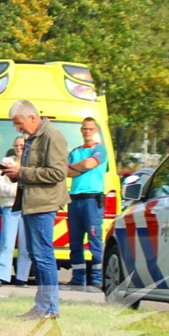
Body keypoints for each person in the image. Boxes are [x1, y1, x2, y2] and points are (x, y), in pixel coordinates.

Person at [0, 100, 69, 320]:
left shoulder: (52, 136)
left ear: (31, 116)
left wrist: (21, 172)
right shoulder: (35, 136)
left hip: (43, 203)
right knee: (38, 256)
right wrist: (17, 172)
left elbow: (58, 173)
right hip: (33, 202)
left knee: (42, 256)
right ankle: (43, 306)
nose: (18, 128)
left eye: (19, 123)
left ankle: (48, 307)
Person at [66, 117, 107, 289]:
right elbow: (66, 172)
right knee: (75, 241)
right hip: (75, 200)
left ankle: (96, 279)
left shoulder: (100, 149)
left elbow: (90, 164)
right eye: (84, 128)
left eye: (90, 128)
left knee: (94, 240)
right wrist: (79, 167)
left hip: (92, 199)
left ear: (95, 130)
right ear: (81, 130)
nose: (87, 131)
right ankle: (78, 278)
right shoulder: (76, 151)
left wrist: (78, 167)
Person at [0, 136, 32, 288]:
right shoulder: (5, 164)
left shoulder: (33, 165)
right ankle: (0, 276)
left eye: (23, 145)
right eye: (17, 145)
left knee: (26, 246)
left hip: (28, 208)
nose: (20, 148)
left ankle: (22, 278)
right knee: (7, 243)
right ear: (13, 147)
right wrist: (19, 190)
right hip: (11, 207)